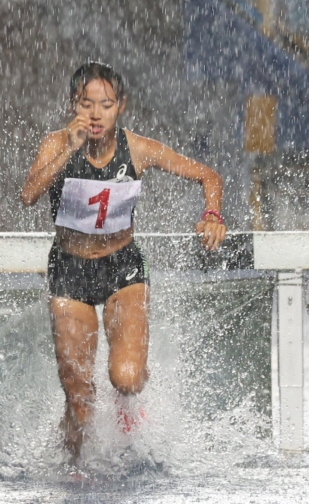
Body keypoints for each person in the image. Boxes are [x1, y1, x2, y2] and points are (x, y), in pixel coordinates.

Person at [20, 62, 226, 460]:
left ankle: (130, 409)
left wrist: (212, 214)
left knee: (126, 378)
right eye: (87, 104)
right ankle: (73, 466)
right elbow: (28, 194)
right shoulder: (56, 143)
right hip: (70, 269)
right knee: (79, 397)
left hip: (122, 267)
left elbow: (208, 175)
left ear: (121, 107)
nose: (96, 115)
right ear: (72, 105)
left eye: (107, 105)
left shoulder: (138, 148)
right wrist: (69, 149)